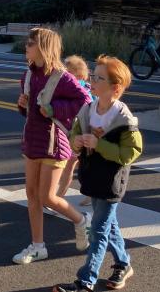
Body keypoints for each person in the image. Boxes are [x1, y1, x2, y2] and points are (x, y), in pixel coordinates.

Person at [54, 55, 143, 292]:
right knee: (107, 224)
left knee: (98, 230)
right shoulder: (88, 109)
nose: (92, 80)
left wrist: (98, 143)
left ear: (115, 88)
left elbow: (131, 152)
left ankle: (86, 281)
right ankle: (123, 263)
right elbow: (73, 137)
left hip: (111, 180)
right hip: (92, 176)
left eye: (99, 77)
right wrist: (79, 142)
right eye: (93, 75)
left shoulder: (123, 117)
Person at [13, 27, 93, 264]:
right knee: (32, 195)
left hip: (55, 144)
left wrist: (55, 109)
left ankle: (81, 220)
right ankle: (38, 246)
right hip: (32, 140)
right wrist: (22, 104)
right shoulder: (27, 75)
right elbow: (30, 111)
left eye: (30, 43)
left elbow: (85, 100)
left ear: (44, 48)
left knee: (47, 196)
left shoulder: (62, 77)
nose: (26, 46)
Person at [56, 55, 94, 207]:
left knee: (68, 167)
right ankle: (91, 194)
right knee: (80, 167)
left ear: (77, 74)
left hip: (76, 135)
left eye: (67, 71)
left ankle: (58, 197)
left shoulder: (76, 89)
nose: (63, 74)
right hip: (77, 134)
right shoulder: (85, 88)